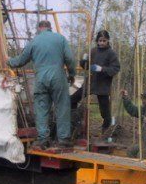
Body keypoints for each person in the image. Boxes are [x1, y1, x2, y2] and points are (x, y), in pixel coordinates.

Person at [8, 19, 76, 149]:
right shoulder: (60, 39)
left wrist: (9, 61)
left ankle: (43, 139)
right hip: (58, 78)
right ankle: (63, 140)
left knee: (42, 108)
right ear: (50, 28)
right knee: (62, 107)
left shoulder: (34, 41)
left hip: (41, 79)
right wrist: (72, 74)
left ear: (39, 28)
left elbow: (20, 61)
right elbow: (70, 59)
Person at [73, 29, 120, 132]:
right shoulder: (93, 51)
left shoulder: (111, 53)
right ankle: (74, 120)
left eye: (104, 40)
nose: (102, 43)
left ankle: (106, 127)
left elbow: (116, 68)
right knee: (73, 96)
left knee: (104, 108)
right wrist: (84, 61)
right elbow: (85, 66)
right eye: (100, 40)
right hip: (91, 80)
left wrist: (102, 69)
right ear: (97, 41)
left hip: (103, 83)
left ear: (108, 40)